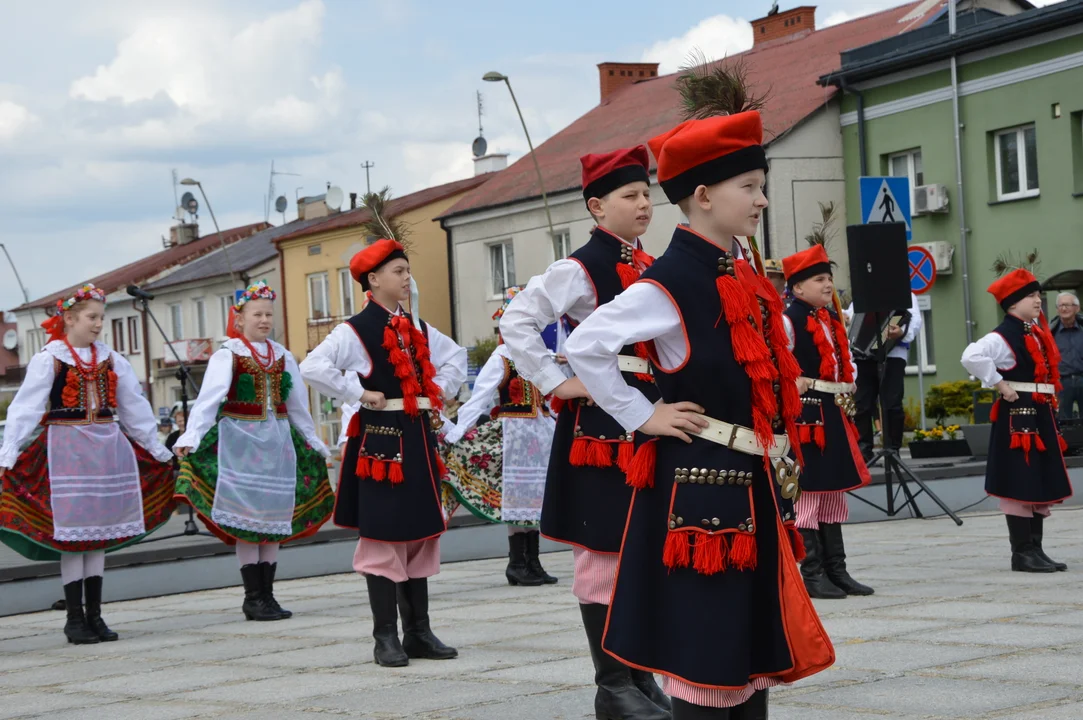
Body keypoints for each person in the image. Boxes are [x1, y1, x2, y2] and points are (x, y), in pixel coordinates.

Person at [565, 107, 835, 718]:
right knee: (708, 650)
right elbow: (585, 345)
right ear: (705, 195)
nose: (762, 200)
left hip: (752, 482)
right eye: (751, 187)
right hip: (700, 491)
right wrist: (643, 416)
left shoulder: (738, 270)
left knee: (749, 650)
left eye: (762, 186)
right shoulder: (668, 282)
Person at [499, 146, 670, 719]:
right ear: (597, 206)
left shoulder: (649, 264)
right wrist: (553, 380)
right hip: (599, 424)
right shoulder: (577, 268)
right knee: (603, 548)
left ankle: (639, 676)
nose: (644, 203)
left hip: (643, 415)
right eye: (630, 195)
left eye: (647, 193)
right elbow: (517, 319)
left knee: (638, 546)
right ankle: (611, 685)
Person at [300, 238, 467, 668]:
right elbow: (312, 367)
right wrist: (358, 391)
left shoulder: (421, 327)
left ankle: (419, 632)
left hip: (416, 438)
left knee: (417, 533)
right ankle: (384, 637)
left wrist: (438, 393)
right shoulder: (353, 330)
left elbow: (456, 358)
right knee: (384, 536)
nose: (407, 278)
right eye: (399, 271)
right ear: (373, 280)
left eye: (408, 271)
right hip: (379, 443)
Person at [0, 285, 175, 644]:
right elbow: (26, 408)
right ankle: (74, 618)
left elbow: (134, 407)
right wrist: (9, 452)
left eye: (101, 318)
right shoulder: (50, 358)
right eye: (92, 317)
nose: (98, 324)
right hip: (67, 451)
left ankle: (95, 615)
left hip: (108, 451)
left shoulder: (112, 359)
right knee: (73, 537)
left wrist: (157, 450)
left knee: (97, 535)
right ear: (69, 319)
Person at [173, 281, 334, 621]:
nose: (264, 320)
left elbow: (296, 405)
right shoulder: (228, 354)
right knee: (248, 519)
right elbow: (209, 399)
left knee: (273, 518)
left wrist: (314, 440)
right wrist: (192, 435)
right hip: (239, 443)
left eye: (268, 314)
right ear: (240, 318)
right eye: (257, 314)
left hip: (276, 443)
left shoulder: (282, 355)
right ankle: (252, 597)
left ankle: (268, 595)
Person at [442, 287, 558, 587]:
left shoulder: (539, 355)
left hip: (539, 433)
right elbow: (480, 398)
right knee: (518, 497)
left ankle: (533, 562)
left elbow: (549, 398)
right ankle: (517, 563)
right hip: (515, 433)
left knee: (535, 500)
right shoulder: (503, 356)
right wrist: (456, 433)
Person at [961, 268, 1072, 573]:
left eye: (1038, 295)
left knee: (1038, 475)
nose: (1038, 300)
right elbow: (971, 356)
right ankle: (1021, 552)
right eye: (1031, 296)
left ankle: (1035, 548)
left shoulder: (1034, 331)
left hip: (1039, 410)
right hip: (1019, 415)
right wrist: (999, 383)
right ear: (1012, 303)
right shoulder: (1002, 336)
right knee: (1021, 476)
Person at [781, 245, 873, 600]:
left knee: (832, 489)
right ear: (798, 287)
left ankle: (837, 570)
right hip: (807, 415)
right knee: (809, 491)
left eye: (830, 279)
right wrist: (791, 380)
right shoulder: (788, 319)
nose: (828, 285)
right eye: (819, 279)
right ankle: (813, 572)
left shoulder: (830, 320)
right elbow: (774, 359)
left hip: (832, 410)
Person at [852, 291, 922, 460]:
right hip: (863, 355)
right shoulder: (864, 292)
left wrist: (901, 332)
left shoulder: (904, 293)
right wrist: (847, 321)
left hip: (894, 354)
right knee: (862, 403)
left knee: (892, 403)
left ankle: (893, 449)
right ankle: (864, 449)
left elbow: (915, 320)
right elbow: (852, 315)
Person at [1051, 292, 1083, 419]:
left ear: (1077, 308)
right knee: (1063, 421)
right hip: (1062, 382)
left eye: (1068, 305)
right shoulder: (1050, 333)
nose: (1064, 309)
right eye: (1061, 305)